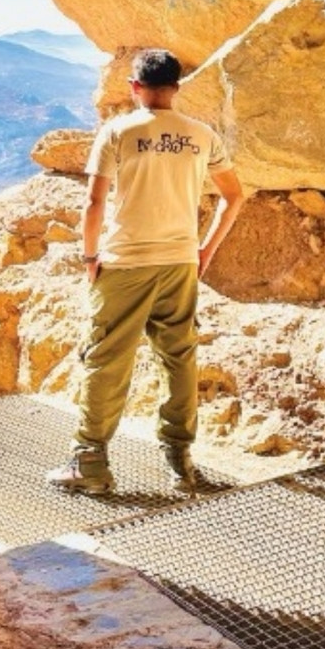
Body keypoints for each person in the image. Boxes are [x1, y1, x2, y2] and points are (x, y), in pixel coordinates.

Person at [47, 47, 246, 495]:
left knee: (107, 359)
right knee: (178, 358)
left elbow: (94, 202)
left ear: (135, 87)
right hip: (180, 261)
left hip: (126, 262)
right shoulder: (202, 135)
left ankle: (90, 462)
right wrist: (205, 250)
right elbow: (234, 196)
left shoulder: (118, 131)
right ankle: (180, 463)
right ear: (176, 87)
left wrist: (89, 257)